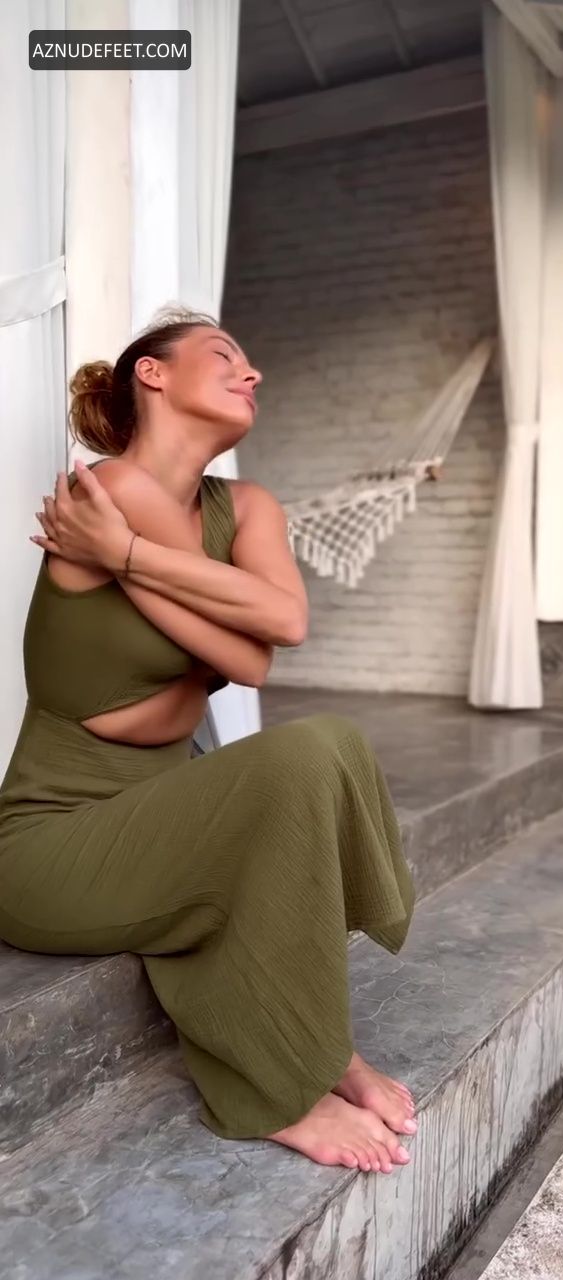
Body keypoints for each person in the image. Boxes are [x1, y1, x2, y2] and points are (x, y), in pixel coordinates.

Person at [0, 311, 416, 1174]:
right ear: (152, 375)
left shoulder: (247, 507)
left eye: (250, 361)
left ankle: (322, 1046)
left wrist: (125, 558)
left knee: (329, 744)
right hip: (50, 847)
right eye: (224, 355)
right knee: (299, 756)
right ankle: (286, 1084)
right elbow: (255, 648)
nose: (250, 372)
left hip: (155, 818)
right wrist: (127, 548)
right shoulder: (111, 490)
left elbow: (275, 633)